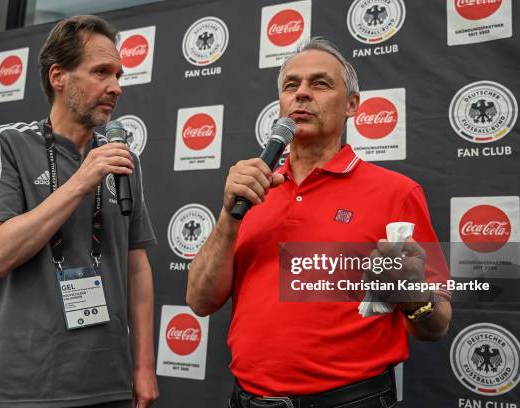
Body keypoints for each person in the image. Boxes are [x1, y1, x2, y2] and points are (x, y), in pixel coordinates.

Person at [186, 38, 452, 408]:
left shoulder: (397, 193)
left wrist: (412, 293)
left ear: (352, 105)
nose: (302, 94)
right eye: (291, 85)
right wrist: (229, 218)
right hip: (245, 399)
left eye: (321, 84)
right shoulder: (251, 190)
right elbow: (199, 301)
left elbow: (436, 325)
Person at [0, 15, 158, 408]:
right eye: (102, 72)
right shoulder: (6, 143)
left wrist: (144, 368)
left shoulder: (124, 160)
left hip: (109, 382)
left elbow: (136, 267)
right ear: (59, 77)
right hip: (22, 386)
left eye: (119, 74)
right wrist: (80, 182)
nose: (117, 87)